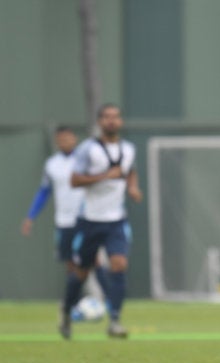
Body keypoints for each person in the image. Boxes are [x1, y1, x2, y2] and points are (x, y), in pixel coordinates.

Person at [59, 103, 142, 340]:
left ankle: (114, 320)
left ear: (121, 121)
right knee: (81, 272)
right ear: (99, 122)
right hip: (90, 220)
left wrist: (133, 187)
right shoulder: (88, 149)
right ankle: (66, 312)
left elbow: (130, 171)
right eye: (106, 117)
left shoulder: (128, 149)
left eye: (115, 117)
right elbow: (74, 181)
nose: (111, 121)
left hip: (116, 220)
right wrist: (106, 176)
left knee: (119, 264)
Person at [21, 126, 111, 305]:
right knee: (70, 264)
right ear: (57, 141)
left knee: (94, 259)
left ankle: (111, 302)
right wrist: (30, 216)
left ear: (74, 139)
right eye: (60, 139)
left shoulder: (85, 160)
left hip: (86, 218)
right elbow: (44, 192)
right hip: (63, 221)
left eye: (68, 138)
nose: (64, 142)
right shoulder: (51, 164)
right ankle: (74, 304)